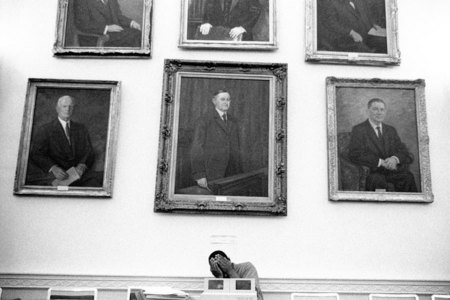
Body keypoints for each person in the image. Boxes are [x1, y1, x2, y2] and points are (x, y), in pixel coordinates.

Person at [27, 95, 103, 187]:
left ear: (73, 109)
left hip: (78, 174)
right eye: (64, 106)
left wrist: (82, 165)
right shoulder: (45, 129)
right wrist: (53, 168)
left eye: (70, 107)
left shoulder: (81, 129)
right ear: (57, 109)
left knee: (100, 180)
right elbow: (36, 153)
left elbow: (89, 151)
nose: (68, 109)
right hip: (56, 175)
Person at [348, 98, 418, 192]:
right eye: (375, 109)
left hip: (392, 171)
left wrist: (394, 159)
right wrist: (380, 162)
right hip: (373, 172)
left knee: (408, 177)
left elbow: (403, 150)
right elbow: (355, 154)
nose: (379, 112)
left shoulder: (390, 130)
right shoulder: (359, 130)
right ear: (368, 111)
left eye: (382, 110)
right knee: (377, 181)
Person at [190, 90, 242, 193]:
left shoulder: (233, 121)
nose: (226, 102)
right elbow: (196, 149)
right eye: (222, 99)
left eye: (228, 99)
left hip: (232, 173)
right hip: (211, 173)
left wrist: (239, 172)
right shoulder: (204, 120)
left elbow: (236, 148)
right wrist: (199, 175)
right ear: (214, 101)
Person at [317, 0, 387, 53]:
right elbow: (331, 24)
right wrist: (351, 32)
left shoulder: (358, 1)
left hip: (365, 35)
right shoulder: (331, 2)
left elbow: (365, 15)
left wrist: (373, 25)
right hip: (346, 39)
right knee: (369, 54)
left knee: (384, 43)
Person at [73, 0, 141, 47]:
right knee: (135, 36)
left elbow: (118, 16)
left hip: (113, 35)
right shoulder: (82, 1)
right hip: (94, 38)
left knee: (137, 34)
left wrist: (132, 23)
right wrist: (107, 28)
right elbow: (83, 24)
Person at [197, 0, 262, 41]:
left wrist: (243, 27)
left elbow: (256, 11)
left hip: (241, 36)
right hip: (218, 35)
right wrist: (207, 22)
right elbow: (209, 6)